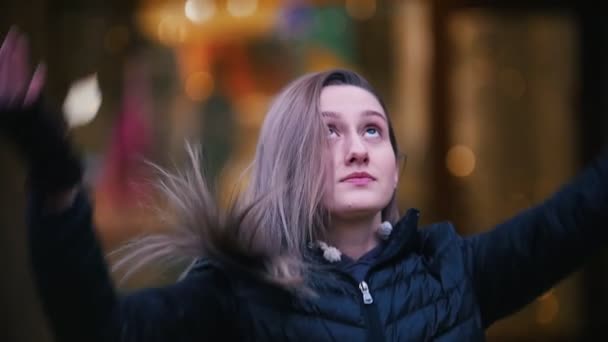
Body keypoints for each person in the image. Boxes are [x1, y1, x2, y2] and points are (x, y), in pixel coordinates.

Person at [1, 27, 607, 342]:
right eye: (328, 133)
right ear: (289, 160)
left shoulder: (452, 271)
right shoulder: (240, 295)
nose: (355, 149)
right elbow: (99, 332)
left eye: (373, 131)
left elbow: (576, 218)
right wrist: (55, 178)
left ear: (395, 163)